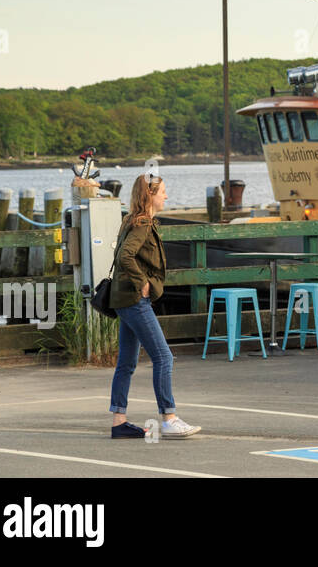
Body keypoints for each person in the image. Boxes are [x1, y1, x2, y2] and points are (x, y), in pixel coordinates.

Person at [108, 174, 201, 439]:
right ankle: (169, 417)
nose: (166, 196)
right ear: (149, 194)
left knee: (126, 363)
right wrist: (142, 283)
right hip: (135, 300)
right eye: (162, 192)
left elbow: (121, 253)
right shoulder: (142, 224)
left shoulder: (132, 221)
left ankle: (119, 422)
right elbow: (125, 255)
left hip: (124, 300)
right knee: (164, 357)